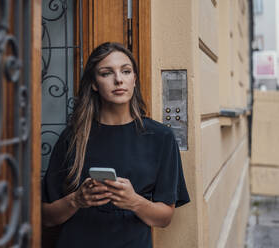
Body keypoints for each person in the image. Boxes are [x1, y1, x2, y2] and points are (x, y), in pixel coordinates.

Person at [41, 42, 190, 248]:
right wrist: (76, 200)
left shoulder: (160, 137)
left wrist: (134, 201)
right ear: (94, 83)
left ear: (134, 79)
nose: (119, 79)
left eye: (126, 71)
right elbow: (47, 217)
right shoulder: (73, 137)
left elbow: (164, 218)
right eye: (106, 73)